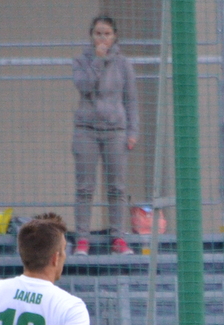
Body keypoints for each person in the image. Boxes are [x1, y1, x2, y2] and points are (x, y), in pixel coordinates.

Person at [71, 15, 139, 256]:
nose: (102, 38)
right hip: (86, 130)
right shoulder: (82, 60)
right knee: (85, 187)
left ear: (115, 36)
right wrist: (98, 62)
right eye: (98, 33)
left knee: (117, 187)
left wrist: (132, 131)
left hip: (115, 131)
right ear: (92, 36)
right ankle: (82, 240)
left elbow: (131, 99)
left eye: (107, 34)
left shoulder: (123, 64)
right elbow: (84, 86)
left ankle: (118, 238)